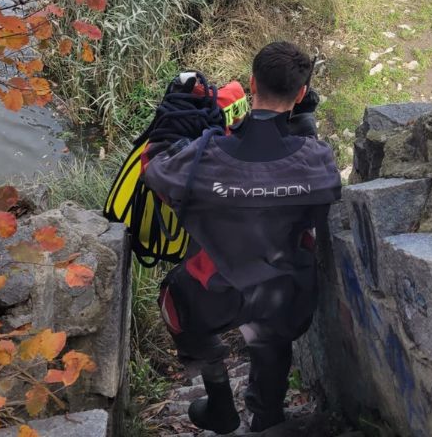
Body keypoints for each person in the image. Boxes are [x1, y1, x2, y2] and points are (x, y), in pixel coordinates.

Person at [144, 42, 341, 433]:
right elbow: (320, 184)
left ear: (251, 83)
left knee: (174, 297)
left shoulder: (205, 158)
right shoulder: (316, 160)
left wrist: (178, 111)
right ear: (301, 94)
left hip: (215, 295)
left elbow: (155, 165)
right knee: (271, 337)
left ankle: (218, 398)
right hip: (286, 295)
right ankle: (267, 415)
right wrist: (303, 123)